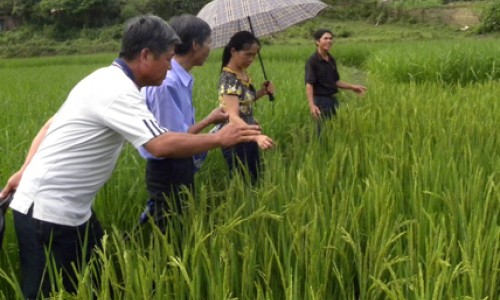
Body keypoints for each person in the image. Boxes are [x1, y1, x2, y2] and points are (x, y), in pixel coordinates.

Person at [0, 15, 261, 299]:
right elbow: (159, 144)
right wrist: (220, 138)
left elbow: (51, 124)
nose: (169, 66)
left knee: (102, 284)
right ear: (146, 55)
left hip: (75, 212)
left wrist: (26, 169)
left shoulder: (101, 77)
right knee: (47, 293)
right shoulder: (119, 91)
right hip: (46, 214)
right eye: (167, 59)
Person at [137, 14, 228, 231]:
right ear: (195, 45)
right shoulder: (167, 83)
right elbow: (169, 142)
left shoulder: (179, 78)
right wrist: (218, 137)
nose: (210, 48)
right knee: (167, 231)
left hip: (178, 161)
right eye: (208, 42)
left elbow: (180, 132)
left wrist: (209, 120)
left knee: (176, 224)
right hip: (168, 167)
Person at [214, 31, 274, 184]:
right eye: (247, 54)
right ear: (233, 51)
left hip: (248, 132)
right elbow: (233, 116)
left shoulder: (241, 73)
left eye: (254, 55)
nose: (251, 59)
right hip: (235, 137)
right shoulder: (229, 78)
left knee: (254, 179)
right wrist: (256, 136)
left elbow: (244, 102)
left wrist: (262, 92)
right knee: (243, 184)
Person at [305, 29, 367, 133]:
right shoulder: (312, 61)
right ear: (317, 41)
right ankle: (321, 149)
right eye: (325, 38)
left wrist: (352, 87)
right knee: (323, 133)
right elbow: (309, 84)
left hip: (333, 100)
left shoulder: (331, 59)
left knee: (334, 131)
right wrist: (312, 105)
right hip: (320, 101)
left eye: (331, 38)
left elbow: (335, 82)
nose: (329, 41)